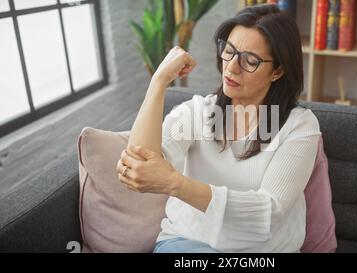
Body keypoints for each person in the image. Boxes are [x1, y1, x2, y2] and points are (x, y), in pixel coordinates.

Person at [115, 4, 321, 253]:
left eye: (250, 61)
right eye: (229, 51)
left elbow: (268, 212)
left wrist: (175, 183)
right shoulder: (196, 112)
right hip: (188, 243)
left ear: (277, 71)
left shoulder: (299, 126)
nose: (232, 67)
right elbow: (136, 165)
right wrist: (158, 82)